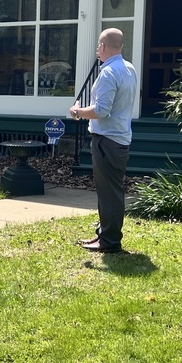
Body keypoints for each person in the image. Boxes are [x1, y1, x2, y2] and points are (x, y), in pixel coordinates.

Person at [71, 28, 138, 254]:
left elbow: (101, 110)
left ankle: (109, 240)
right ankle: (105, 234)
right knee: (111, 190)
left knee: (109, 192)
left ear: (102, 46)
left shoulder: (109, 73)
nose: (97, 50)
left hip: (107, 141)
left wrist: (77, 112)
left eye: (98, 46)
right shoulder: (129, 69)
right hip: (120, 138)